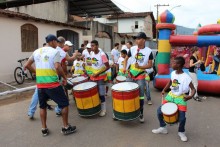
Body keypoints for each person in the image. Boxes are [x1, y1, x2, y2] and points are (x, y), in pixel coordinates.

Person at [24, 34, 76, 136]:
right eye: (56, 42)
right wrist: (65, 78)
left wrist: (37, 73)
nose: (57, 44)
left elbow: (27, 65)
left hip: (40, 85)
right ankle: (66, 127)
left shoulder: (36, 51)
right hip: (52, 84)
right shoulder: (55, 51)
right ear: (52, 41)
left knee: (42, 107)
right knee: (64, 104)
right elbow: (57, 67)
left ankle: (44, 129)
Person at [152, 56, 196, 142]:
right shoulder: (173, 73)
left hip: (180, 97)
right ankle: (163, 127)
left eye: (174, 63)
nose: (172, 64)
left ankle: (181, 132)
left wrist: (190, 96)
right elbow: (170, 82)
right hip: (171, 95)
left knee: (182, 118)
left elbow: (193, 89)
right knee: (159, 111)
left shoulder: (186, 77)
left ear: (179, 65)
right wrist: (164, 89)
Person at [124, 32, 153, 123]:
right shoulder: (132, 49)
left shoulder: (149, 51)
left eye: (138, 39)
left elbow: (150, 65)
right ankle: (127, 111)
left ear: (144, 40)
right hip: (130, 75)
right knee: (127, 93)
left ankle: (141, 114)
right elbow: (126, 59)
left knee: (140, 96)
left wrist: (140, 67)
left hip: (140, 75)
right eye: (136, 39)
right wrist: (125, 68)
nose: (136, 40)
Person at [90, 40, 110, 116]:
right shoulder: (91, 53)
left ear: (97, 46)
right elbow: (93, 65)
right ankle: (98, 108)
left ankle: (103, 110)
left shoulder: (102, 55)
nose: (92, 47)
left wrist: (98, 73)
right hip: (93, 78)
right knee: (95, 94)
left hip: (101, 77)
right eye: (91, 46)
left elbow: (107, 67)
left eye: (93, 46)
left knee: (102, 94)